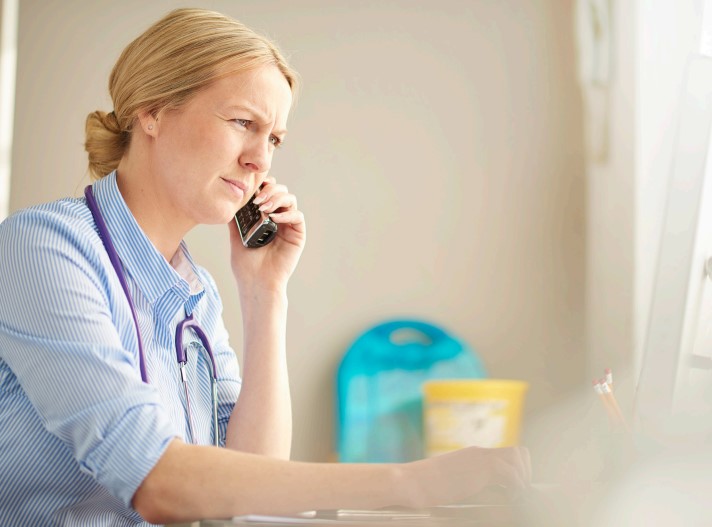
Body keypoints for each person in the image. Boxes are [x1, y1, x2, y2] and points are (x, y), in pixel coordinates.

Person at [0, 7, 531, 526]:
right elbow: (158, 483)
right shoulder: (43, 248)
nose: (261, 159)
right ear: (154, 110)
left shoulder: (194, 294)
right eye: (242, 123)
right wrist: (410, 482)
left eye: (273, 138)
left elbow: (251, 492)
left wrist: (265, 293)